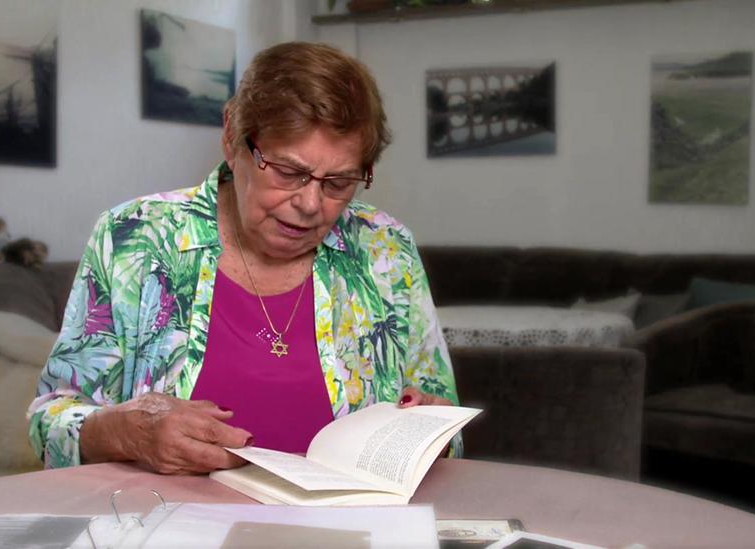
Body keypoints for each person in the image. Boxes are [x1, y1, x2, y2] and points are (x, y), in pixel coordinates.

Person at [27, 42, 459, 474]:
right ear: (232, 136)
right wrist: (128, 431)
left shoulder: (386, 248)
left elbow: (447, 427)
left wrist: (432, 429)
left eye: (339, 183)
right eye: (290, 172)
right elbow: (50, 419)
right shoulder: (134, 237)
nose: (311, 204)